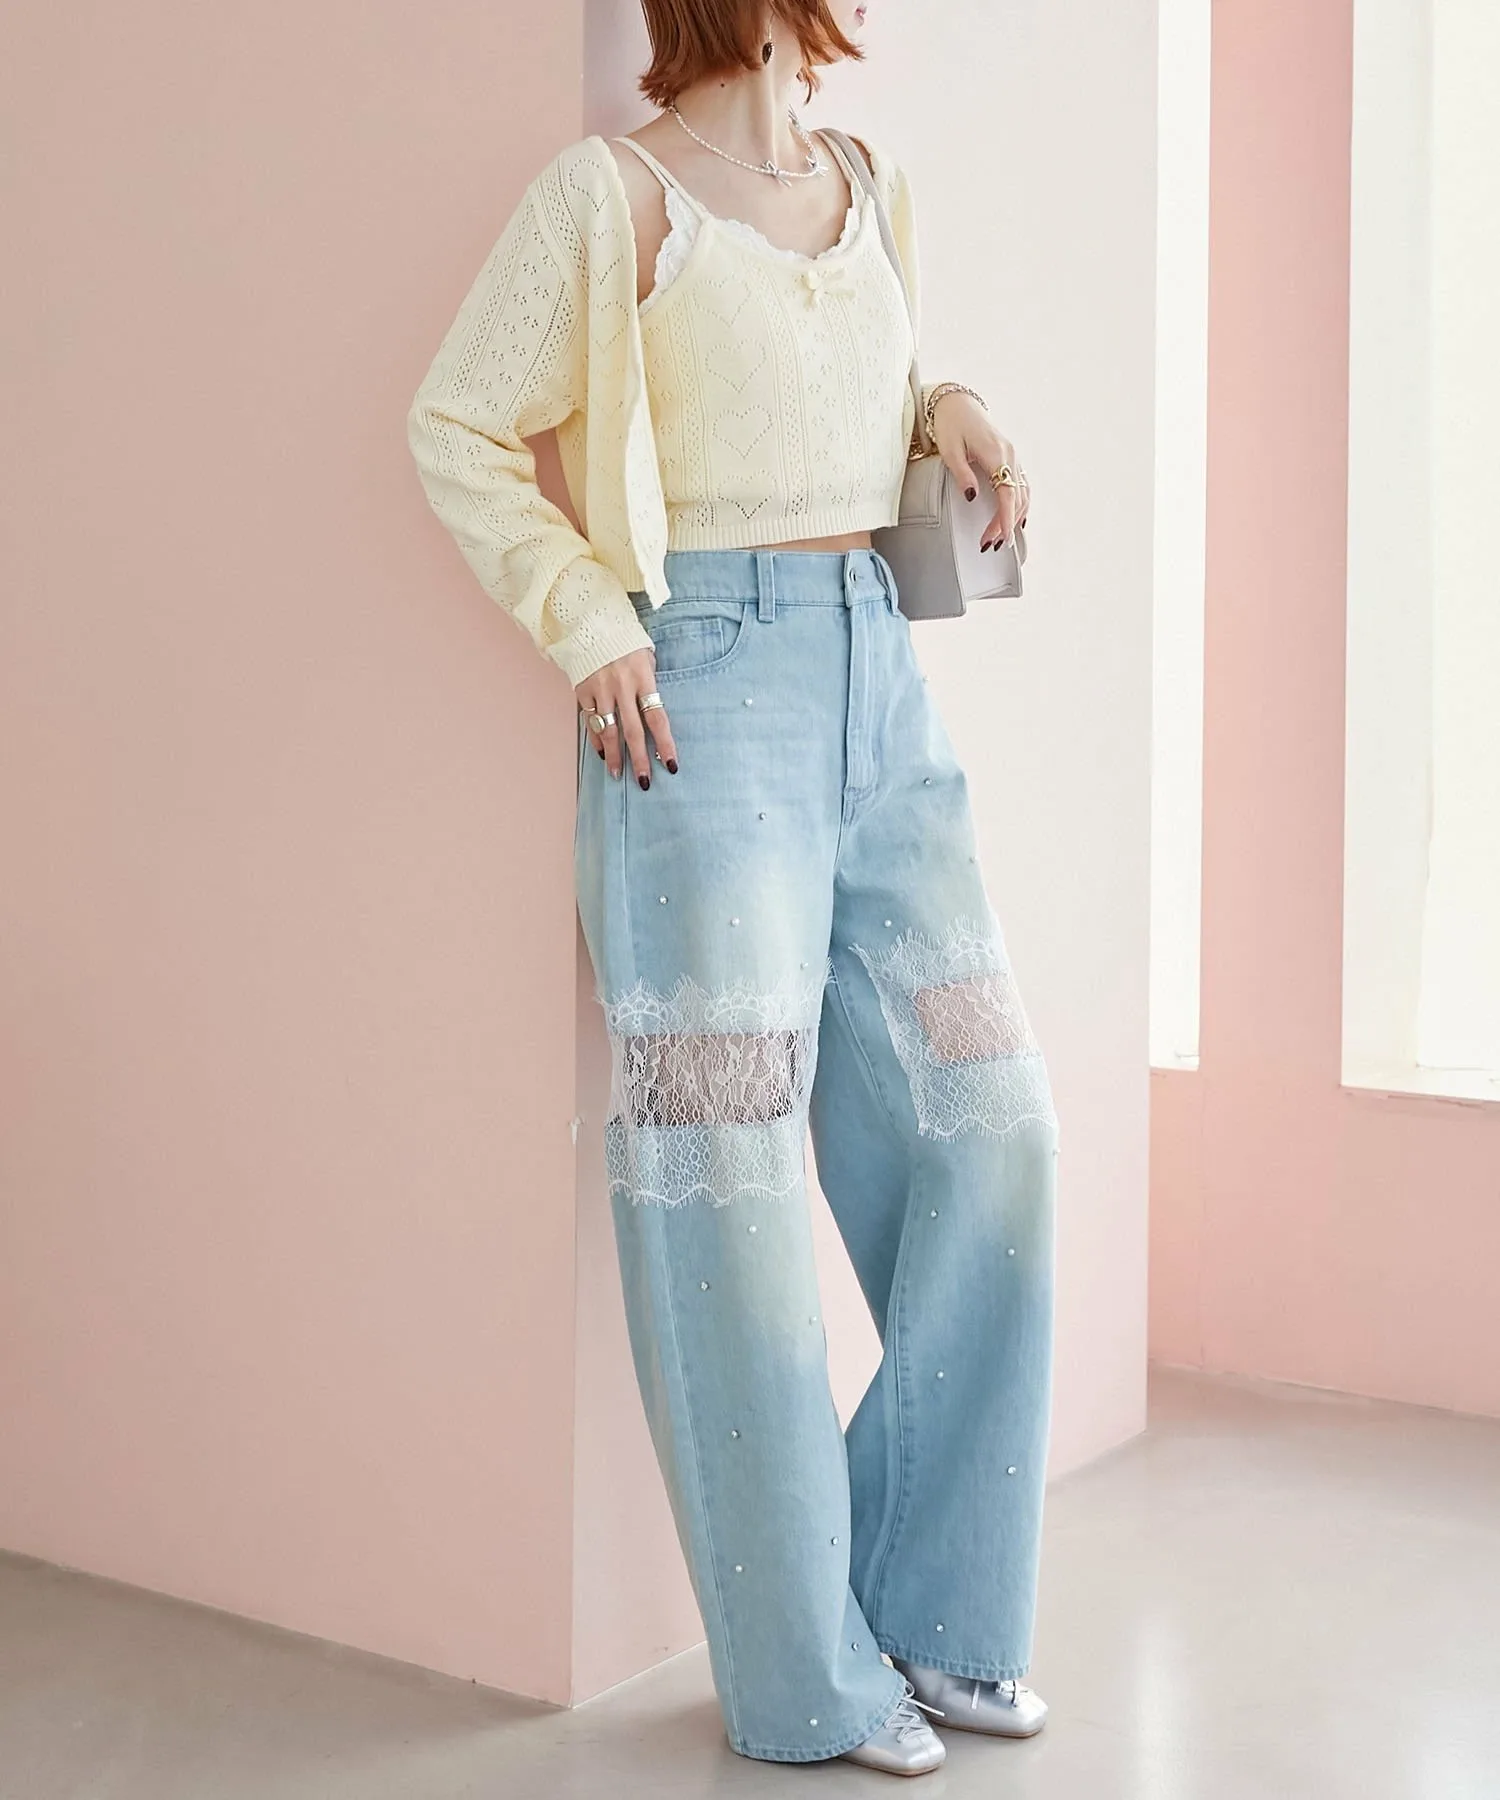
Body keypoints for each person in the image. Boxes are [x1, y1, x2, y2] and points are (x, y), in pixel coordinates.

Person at [406, 0, 1059, 1776]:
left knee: (996, 1127)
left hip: (881, 689)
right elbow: (457, 424)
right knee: (729, 1192)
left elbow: (827, 393)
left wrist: (946, 400)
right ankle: (802, 1686)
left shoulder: (867, 179)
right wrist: (585, 621)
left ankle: (931, 1615)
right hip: (700, 701)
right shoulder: (609, 199)